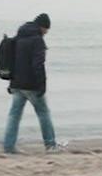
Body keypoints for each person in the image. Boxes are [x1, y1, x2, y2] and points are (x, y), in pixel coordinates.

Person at [4, 13, 65, 154]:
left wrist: (11, 82)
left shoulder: (19, 37)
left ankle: (8, 147)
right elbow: (38, 65)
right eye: (46, 30)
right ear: (42, 27)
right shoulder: (37, 40)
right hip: (31, 85)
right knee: (43, 113)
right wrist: (42, 85)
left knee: (14, 115)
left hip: (17, 84)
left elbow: (12, 61)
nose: (46, 33)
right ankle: (50, 145)